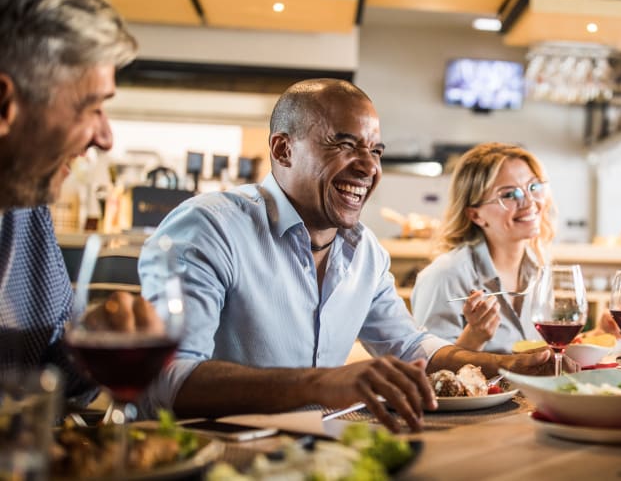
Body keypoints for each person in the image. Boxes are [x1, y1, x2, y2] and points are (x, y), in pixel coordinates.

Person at [138, 79, 551, 432]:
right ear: (283, 150)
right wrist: (323, 384)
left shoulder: (364, 251)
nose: (368, 167)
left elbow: (409, 347)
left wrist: (504, 364)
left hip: (306, 457)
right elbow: (169, 379)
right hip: (205, 457)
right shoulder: (210, 227)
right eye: (344, 144)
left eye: (375, 151)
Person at [0, 0, 139, 404]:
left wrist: (91, 346)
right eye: (92, 107)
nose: (105, 136)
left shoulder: (27, 207)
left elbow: (47, 378)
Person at [411, 143, 555, 353]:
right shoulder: (445, 276)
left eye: (533, 187)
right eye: (509, 195)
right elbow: (430, 373)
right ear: (475, 215)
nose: (530, 202)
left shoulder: (540, 270)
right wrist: (474, 338)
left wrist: (593, 337)